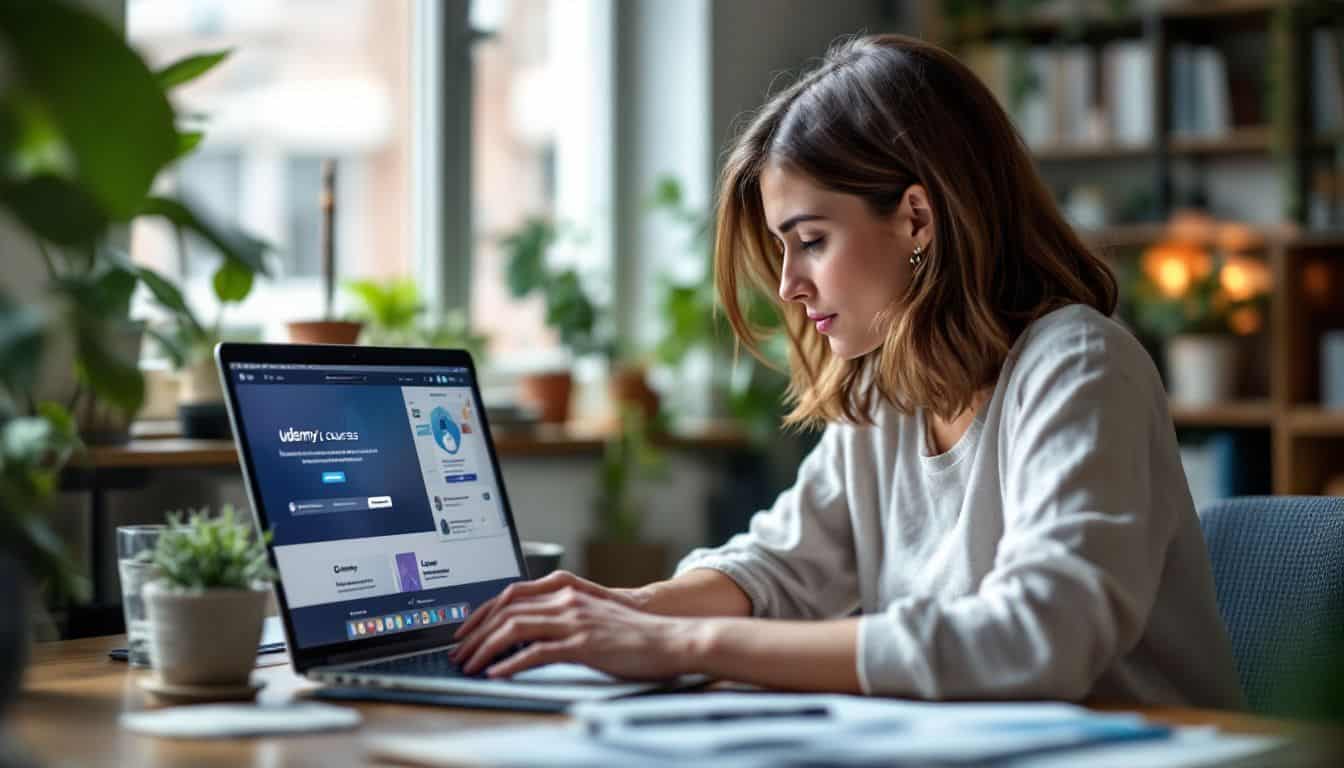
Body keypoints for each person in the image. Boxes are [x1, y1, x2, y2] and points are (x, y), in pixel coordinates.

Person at [451, 33, 1244, 708]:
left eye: (812, 239)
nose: (790, 285)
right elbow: (783, 567)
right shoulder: (892, 391)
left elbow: (1038, 639)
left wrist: (681, 640)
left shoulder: (1078, 367)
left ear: (916, 218)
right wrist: (622, 612)